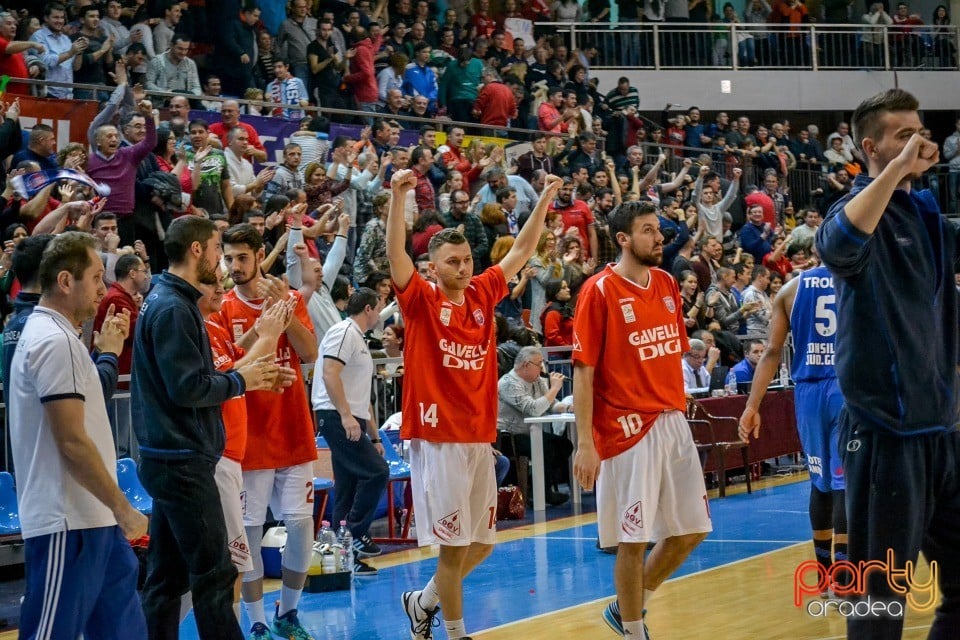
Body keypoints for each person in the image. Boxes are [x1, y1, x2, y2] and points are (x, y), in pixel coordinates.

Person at [388, 168, 563, 640]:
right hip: (439, 437)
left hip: (478, 435)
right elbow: (395, 256)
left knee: (482, 544)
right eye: (452, 261)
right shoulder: (421, 300)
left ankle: (421, 602)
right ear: (433, 267)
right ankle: (455, 632)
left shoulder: (484, 292)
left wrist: (544, 197)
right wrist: (397, 198)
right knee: (453, 548)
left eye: (467, 259)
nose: (463, 268)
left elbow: (523, 250)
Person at [815, 88, 960, 640]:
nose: (919, 143)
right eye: (905, 135)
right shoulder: (853, 212)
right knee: (879, 605)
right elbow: (837, 246)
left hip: (943, 432)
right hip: (885, 435)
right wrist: (897, 169)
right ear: (870, 148)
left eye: (921, 132)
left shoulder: (926, 214)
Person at [132, 216, 281, 640]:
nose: (220, 260)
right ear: (197, 250)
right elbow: (189, 387)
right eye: (217, 249)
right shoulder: (174, 308)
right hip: (183, 461)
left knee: (166, 579)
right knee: (215, 575)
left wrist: (251, 373)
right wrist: (242, 381)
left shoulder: (168, 300)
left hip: (170, 456)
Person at [572, 200, 712, 640]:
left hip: (671, 419)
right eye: (648, 231)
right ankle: (634, 630)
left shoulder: (668, 283)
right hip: (626, 428)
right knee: (633, 540)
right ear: (623, 239)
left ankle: (628, 604)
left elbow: (666, 351)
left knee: (692, 530)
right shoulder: (598, 290)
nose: (658, 238)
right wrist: (586, 442)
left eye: (658, 230)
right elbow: (584, 370)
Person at [8, 232, 147, 640]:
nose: (104, 290)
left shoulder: (61, 337)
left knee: (123, 629)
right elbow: (70, 440)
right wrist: (122, 507)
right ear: (66, 282)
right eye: (96, 278)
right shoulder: (52, 340)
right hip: (67, 521)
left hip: (92, 518)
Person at [217, 223, 319, 640]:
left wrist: (288, 314)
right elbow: (228, 364)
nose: (235, 266)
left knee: (300, 527)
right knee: (250, 535)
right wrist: (263, 331)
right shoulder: (222, 307)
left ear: (260, 255)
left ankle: (288, 614)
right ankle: (256, 620)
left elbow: (311, 352)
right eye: (229, 258)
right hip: (250, 436)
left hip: (293, 428)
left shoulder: (289, 298)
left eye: (242, 257)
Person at [191, 264, 295, 626]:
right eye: (210, 284)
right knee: (228, 567)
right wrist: (268, 336)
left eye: (220, 283)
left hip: (231, 455)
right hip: (217, 458)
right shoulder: (196, 329)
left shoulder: (215, 325)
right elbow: (225, 380)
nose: (221, 290)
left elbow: (237, 358)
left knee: (224, 567)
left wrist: (261, 334)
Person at [739, 266, 847, 599]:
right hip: (846, 387)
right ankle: (844, 579)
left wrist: (751, 406)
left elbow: (771, 351)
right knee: (846, 481)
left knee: (820, 481)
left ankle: (825, 573)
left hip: (808, 393)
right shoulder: (857, 276)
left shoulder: (790, 290)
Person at [313, 287, 389, 577]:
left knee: (346, 485)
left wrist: (374, 435)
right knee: (377, 471)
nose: (381, 312)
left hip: (350, 416)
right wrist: (345, 415)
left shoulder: (358, 338)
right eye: (379, 305)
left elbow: (362, 395)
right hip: (335, 415)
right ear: (369, 308)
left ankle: (343, 559)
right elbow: (329, 373)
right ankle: (356, 532)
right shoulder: (343, 332)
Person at [497, 346, 573, 506]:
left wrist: (567, 407)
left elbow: (550, 404)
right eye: (539, 363)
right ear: (526, 364)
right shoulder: (508, 383)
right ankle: (543, 492)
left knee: (564, 445)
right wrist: (554, 388)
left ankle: (533, 484)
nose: (542, 368)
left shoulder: (537, 381)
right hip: (508, 436)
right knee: (544, 447)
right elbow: (533, 409)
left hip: (530, 433)